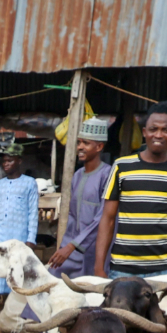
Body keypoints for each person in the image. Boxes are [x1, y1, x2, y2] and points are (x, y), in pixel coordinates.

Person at [94, 100, 167, 279]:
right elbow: (107, 219)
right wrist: (99, 267)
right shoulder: (121, 167)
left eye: (166, 130)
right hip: (122, 270)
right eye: (154, 129)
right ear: (145, 132)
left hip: (163, 272)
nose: (159, 135)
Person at [0, 144, 38, 326]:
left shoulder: (29, 183)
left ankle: (11, 315)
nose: (6, 164)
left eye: (10, 160)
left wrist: (31, 239)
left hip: (19, 237)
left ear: (19, 161)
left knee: (16, 273)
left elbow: (33, 213)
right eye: (3, 161)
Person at [48, 118, 113, 277]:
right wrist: (65, 246)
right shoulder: (77, 176)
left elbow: (103, 218)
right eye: (79, 143)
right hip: (72, 250)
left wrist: (72, 245)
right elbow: (72, 216)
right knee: (51, 285)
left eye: (86, 143)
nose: (80, 147)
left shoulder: (108, 175)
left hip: (95, 251)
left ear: (99, 146)